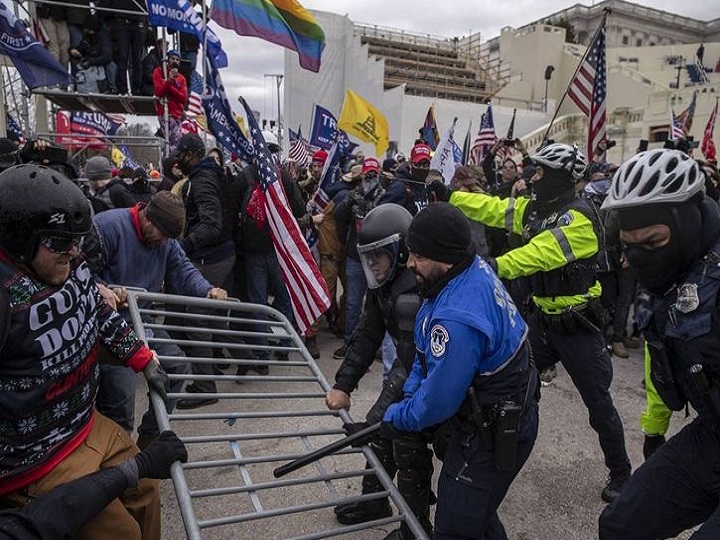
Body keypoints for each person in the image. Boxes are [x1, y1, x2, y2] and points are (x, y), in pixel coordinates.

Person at [427, 143, 632, 502]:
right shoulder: (535, 210)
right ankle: (500, 453)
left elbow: (537, 254)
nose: (531, 179)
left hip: (579, 328)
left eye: (540, 173)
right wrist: (450, 197)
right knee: (511, 387)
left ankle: (622, 473)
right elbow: (493, 208)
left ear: (559, 178)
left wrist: (490, 268)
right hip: (541, 323)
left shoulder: (580, 218)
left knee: (598, 405)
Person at [0, 164, 169, 539]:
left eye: (76, 240)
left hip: (85, 423)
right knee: (120, 533)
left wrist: (140, 356)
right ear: (19, 238)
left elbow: (92, 306)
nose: (73, 252)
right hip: (34, 460)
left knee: (147, 493)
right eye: (60, 242)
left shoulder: (69, 262)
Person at [382, 202, 539, 539]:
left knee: (455, 526)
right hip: (486, 417)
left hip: (492, 431)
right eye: (410, 253)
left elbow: (439, 400)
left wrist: (398, 417)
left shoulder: (457, 316)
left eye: (419, 257)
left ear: (445, 258)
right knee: (475, 516)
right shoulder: (464, 270)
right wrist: (410, 394)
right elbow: (425, 360)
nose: (410, 264)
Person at [598, 149, 720, 539]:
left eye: (652, 243)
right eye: (628, 246)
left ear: (687, 223)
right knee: (620, 525)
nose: (637, 260)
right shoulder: (670, 277)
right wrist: (655, 427)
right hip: (713, 437)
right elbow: (665, 354)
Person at [87, 191, 227, 446]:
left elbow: (183, 268)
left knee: (175, 367)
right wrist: (103, 288)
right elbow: (78, 273)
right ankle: (115, 465)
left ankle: (150, 437)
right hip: (112, 326)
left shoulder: (166, 242)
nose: (163, 242)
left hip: (143, 320)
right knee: (120, 401)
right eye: (161, 234)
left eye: (169, 238)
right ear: (147, 218)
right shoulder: (108, 227)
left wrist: (208, 289)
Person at [326, 204, 430, 536]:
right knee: (382, 434)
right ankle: (374, 500)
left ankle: (416, 527)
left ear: (400, 253)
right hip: (412, 371)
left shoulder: (412, 291)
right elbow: (367, 333)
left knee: (404, 441)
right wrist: (344, 384)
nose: (372, 265)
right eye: (367, 257)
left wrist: (375, 419)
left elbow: (412, 362)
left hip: (430, 375)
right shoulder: (385, 285)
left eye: (378, 256)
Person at [0, 431, 187, 540]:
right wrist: (135, 467)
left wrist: (135, 360)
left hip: (74, 421)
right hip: (29, 460)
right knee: (122, 532)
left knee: (146, 488)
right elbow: (33, 526)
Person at [153, 50, 188, 153]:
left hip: (177, 115)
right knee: (174, 143)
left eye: (177, 59)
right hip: (165, 112)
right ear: (168, 59)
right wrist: (169, 80)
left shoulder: (181, 78)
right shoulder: (159, 72)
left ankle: (168, 159)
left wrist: (171, 87)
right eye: (173, 58)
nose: (175, 61)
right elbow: (159, 91)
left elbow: (183, 98)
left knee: (175, 143)